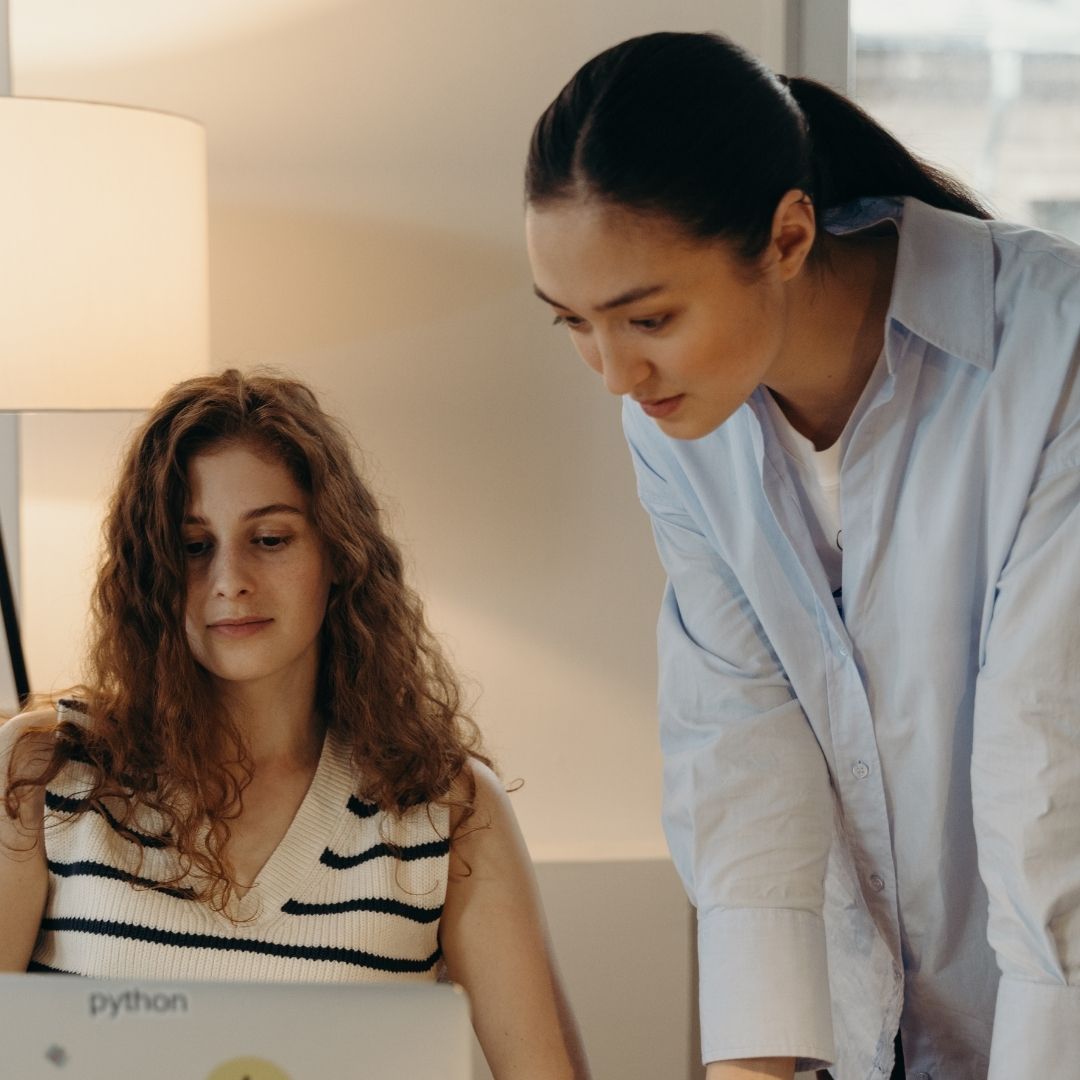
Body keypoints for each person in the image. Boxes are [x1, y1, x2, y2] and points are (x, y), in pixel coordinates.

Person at [524, 30, 1079, 1080]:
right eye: (573, 324)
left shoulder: (1055, 353)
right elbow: (742, 747)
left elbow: (1049, 776)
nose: (611, 373)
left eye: (647, 317)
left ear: (786, 235)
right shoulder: (673, 422)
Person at [0, 370, 590, 1080]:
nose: (230, 580)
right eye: (193, 546)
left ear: (338, 553)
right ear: (152, 570)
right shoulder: (42, 774)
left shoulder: (447, 809)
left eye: (271, 539)